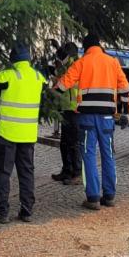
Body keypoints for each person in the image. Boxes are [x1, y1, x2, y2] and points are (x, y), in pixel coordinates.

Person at [58, 34, 129, 210]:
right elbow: (124, 88)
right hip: (107, 118)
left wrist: (50, 93)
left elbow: (62, 85)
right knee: (108, 154)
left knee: (89, 155)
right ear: (99, 45)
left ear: (86, 47)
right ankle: (109, 196)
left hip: (87, 117)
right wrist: (125, 113)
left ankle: (93, 198)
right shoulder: (112, 62)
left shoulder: (81, 62)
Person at [0, 43, 46, 223]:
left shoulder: (9, 75)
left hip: (8, 133)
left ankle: (2, 211)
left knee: (3, 172)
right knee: (26, 172)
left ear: (13, 60)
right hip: (28, 134)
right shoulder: (38, 77)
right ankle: (26, 211)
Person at [50, 42, 82, 185]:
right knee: (65, 142)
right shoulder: (66, 65)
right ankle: (66, 170)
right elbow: (61, 79)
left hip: (75, 109)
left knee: (74, 143)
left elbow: (66, 83)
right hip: (66, 107)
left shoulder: (76, 65)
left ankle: (77, 172)